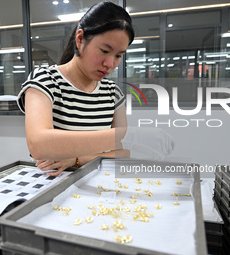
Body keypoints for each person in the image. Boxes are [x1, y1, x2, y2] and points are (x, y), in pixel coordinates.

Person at [17, 1, 173, 176]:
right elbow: (39, 144)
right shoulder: (45, 80)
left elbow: (122, 153)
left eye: (118, 55)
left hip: (98, 184)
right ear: (80, 39)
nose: (110, 64)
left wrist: (77, 159)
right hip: (49, 185)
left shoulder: (112, 93)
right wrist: (130, 135)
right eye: (105, 51)